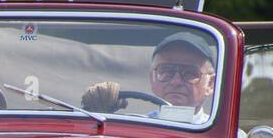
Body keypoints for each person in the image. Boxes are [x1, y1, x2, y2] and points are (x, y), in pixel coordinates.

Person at [82, 30, 217, 121]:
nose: (176, 81)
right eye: (166, 71)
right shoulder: (134, 130)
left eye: (189, 73)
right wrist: (96, 113)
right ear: (152, 79)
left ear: (210, 84)